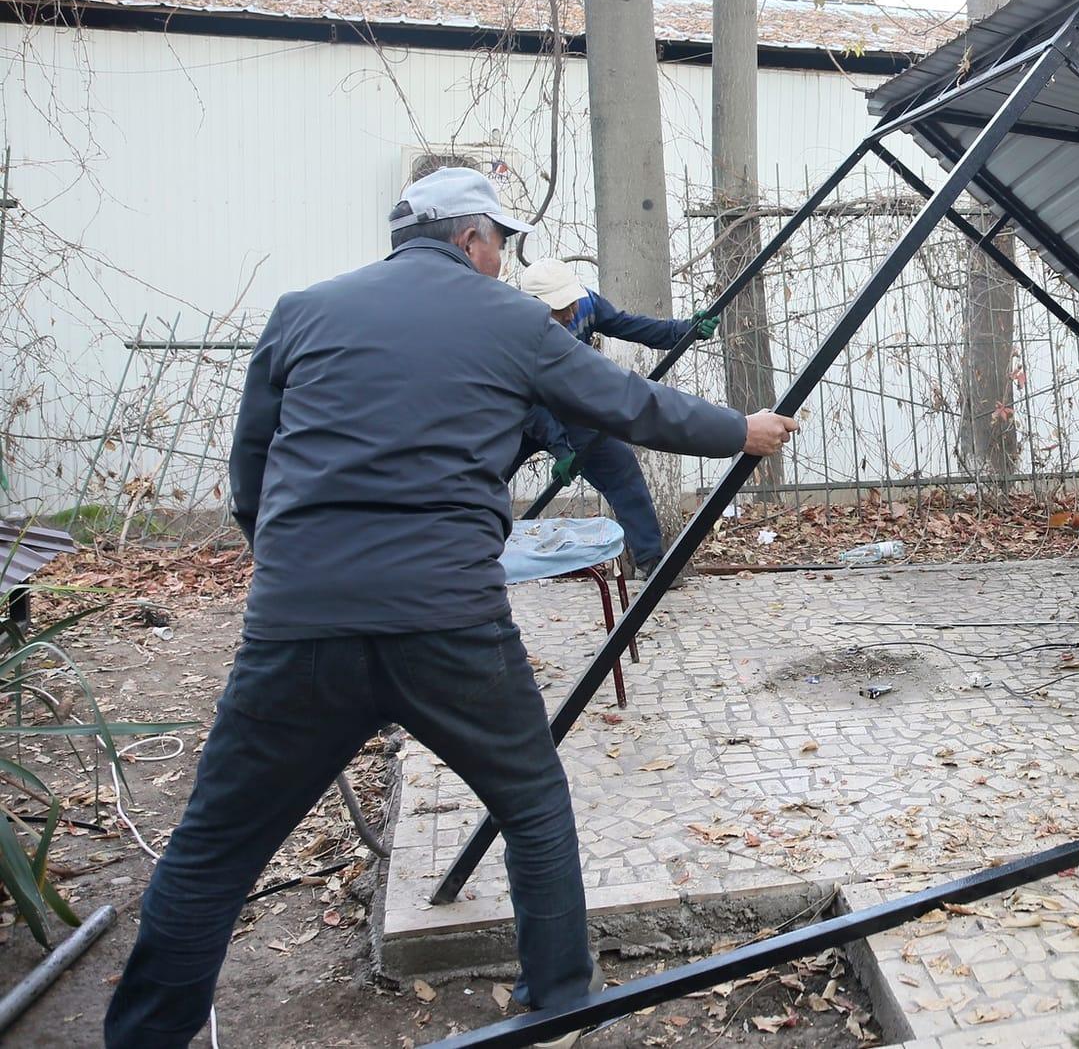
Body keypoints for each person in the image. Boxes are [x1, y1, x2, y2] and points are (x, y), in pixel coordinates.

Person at [104, 168, 798, 1049]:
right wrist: (742, 429)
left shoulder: (303, 311)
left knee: (212, 848)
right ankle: (554, 1005)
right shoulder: (507, 317)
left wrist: (294, 567)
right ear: (470, 239)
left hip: (300, 626)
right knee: (533, 803)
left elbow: (252, 472)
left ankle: (145, 1037)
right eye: (501, 242)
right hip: (449, 621)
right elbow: (631, 405)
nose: (504, 259)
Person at [511, 258, 718, 579]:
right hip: (520, 412)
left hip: (569, 408)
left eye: (571, 302)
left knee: (621, 469)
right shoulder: (514, 327)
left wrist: (683, 330)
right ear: (533, 305)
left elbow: (631, 326)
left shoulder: (587, 306)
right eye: (559, 308)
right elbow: (527, 401)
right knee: (481, 478)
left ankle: (650, 561)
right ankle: (465, 557)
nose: (569, 313)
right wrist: (561, 448)